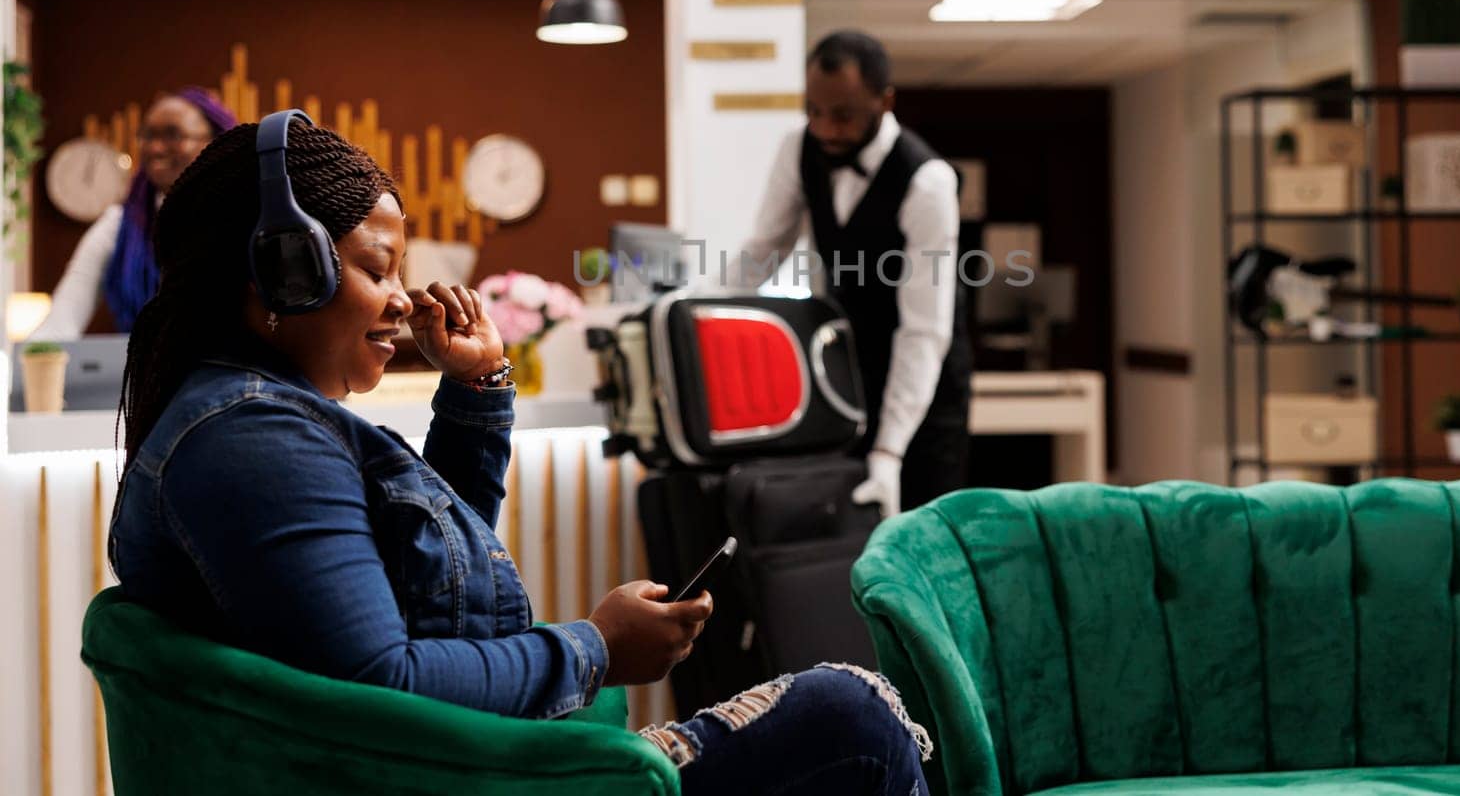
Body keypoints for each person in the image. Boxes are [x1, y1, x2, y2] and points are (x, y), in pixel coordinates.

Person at [108, 116, 930, 795]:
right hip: (472, 778)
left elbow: (426, 584)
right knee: (852, 714)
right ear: (284, 273)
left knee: (854, 712)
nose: (402, 298)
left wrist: (477, 390)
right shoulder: (254, 440)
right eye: (376, 268)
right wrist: (597, 648)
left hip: (464, 765)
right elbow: (383, 683)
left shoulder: (257, 420)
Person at [738, 31, 972, 518]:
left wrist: (888, 452)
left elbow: (923, 332)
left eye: (842, 115)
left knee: (920, 543)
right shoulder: (798, 148)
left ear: (884, 101)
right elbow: (764, 251)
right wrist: (690, 308)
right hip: (846, 379)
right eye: (814, 111)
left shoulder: (927, 182)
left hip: (924, 400)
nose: (825, 129)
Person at [34, 88, 237, 337]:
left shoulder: (244, 216)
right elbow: (63, 319)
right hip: (147, 374)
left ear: (215, 141)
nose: (156, 148)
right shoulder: (118, 226)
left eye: (173, 135)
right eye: (148, 135)